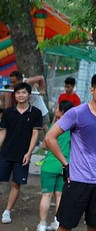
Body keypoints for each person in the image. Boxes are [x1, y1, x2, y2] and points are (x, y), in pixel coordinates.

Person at [43, 72, 96, 231]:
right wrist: (65, 164)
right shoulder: (77, 113)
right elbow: (49, 138)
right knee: (65, 226)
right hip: (78, 179)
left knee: (94, 226)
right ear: (92, 90)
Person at [0, 82, 43, 224]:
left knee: (16, 183)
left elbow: (35, 134)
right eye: (18, 93)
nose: (21, 95)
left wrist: (29, 153)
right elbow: (3, 132)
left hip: (22, 155)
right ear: (15, 95)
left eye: (24, 92)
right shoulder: (8, 112)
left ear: (29, 94)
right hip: (5, 152)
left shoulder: (36, 113)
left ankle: (7, 211)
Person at [38, 101, 74, 231]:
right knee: (60, 195)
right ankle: (57, 223)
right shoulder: (73, 128)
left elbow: (44, 146)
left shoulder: (56, 127)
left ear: (62, 111)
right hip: (65, 166)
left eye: (58, 108)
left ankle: (42, 224)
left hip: (49, 165)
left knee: (46, 195)